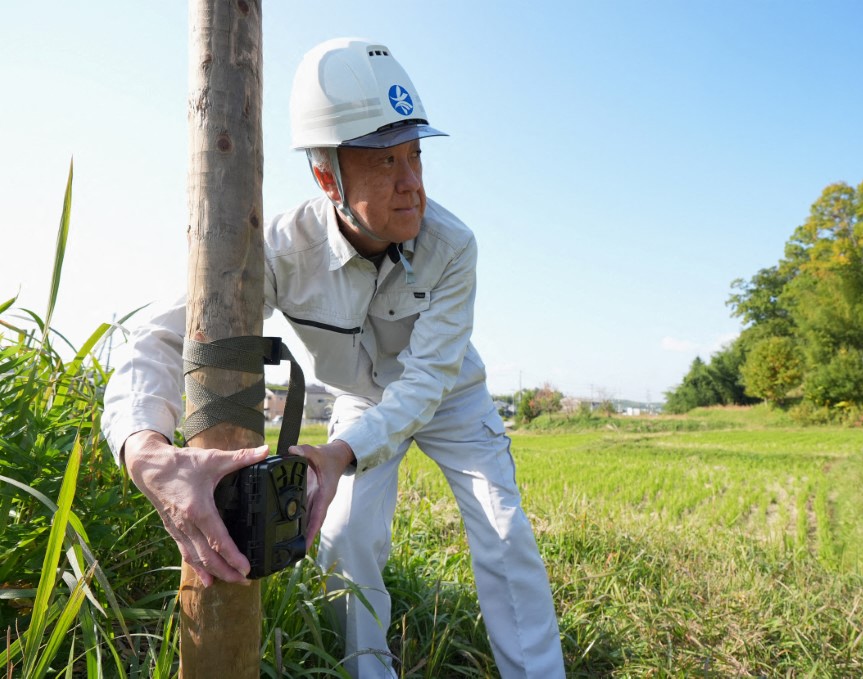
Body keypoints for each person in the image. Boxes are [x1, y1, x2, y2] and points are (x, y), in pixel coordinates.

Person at [101, 38, 565, 678]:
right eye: (383, 163)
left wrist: (341, 451)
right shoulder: (280, 249)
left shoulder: (453, 246)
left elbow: (428, 379)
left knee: (504, 532)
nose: (411, 186)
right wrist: (144, 450)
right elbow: (156, 335)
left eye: (416, 156)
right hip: (359, 397)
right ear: (327, 177)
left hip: (451, 395)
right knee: (345, 539)